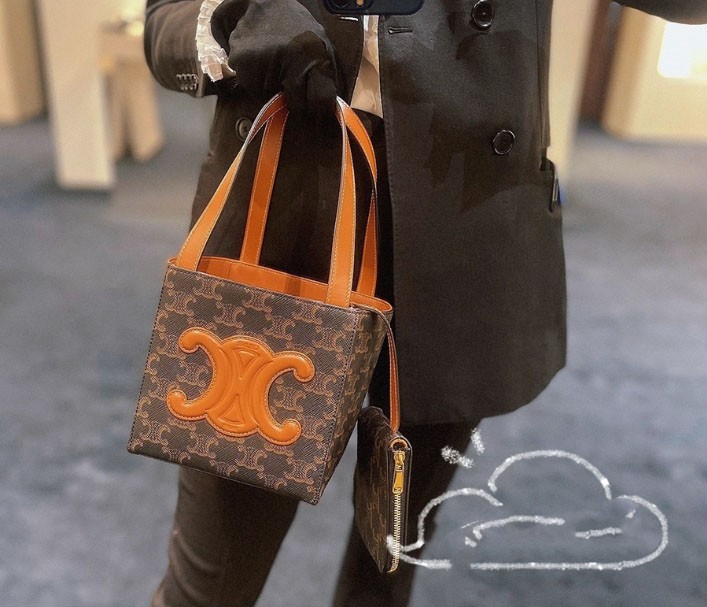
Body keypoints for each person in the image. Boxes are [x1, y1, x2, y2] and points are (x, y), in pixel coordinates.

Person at [141, 1, 707, 605]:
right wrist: (235, 22)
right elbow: (164, 23)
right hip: (279, 216)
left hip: (466, 222)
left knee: (389, 557)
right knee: (212, 583)